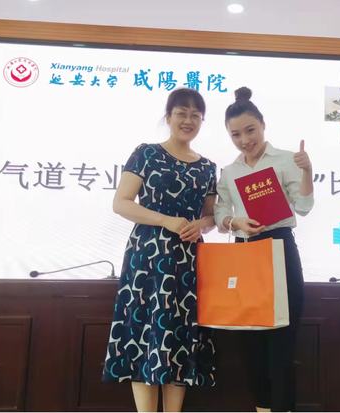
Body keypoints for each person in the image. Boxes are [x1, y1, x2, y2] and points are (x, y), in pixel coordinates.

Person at [102, 88, 217, 412]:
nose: (188, 120)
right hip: (147, 258)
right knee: (144, 334)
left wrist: (201, 224)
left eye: (196, 115)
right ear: (168, 117)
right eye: (181, 113)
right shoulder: (146, 153)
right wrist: (166, 220)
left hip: (188, 260)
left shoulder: (208, 167)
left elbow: (212, 216)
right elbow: (121, 203)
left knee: (179, 335)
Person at [214, 87, 314, 412]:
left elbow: (304, 207)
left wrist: (307, 172)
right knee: (250, 343)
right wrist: (235, 222)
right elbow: (219, 214)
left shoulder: (287, 159)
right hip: (245, 253)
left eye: (250, 130)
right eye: (236, 135)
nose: (245, 140)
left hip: (280, 248)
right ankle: (262, 408)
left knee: (283, 342)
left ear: (263, 125)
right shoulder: (230, 172)